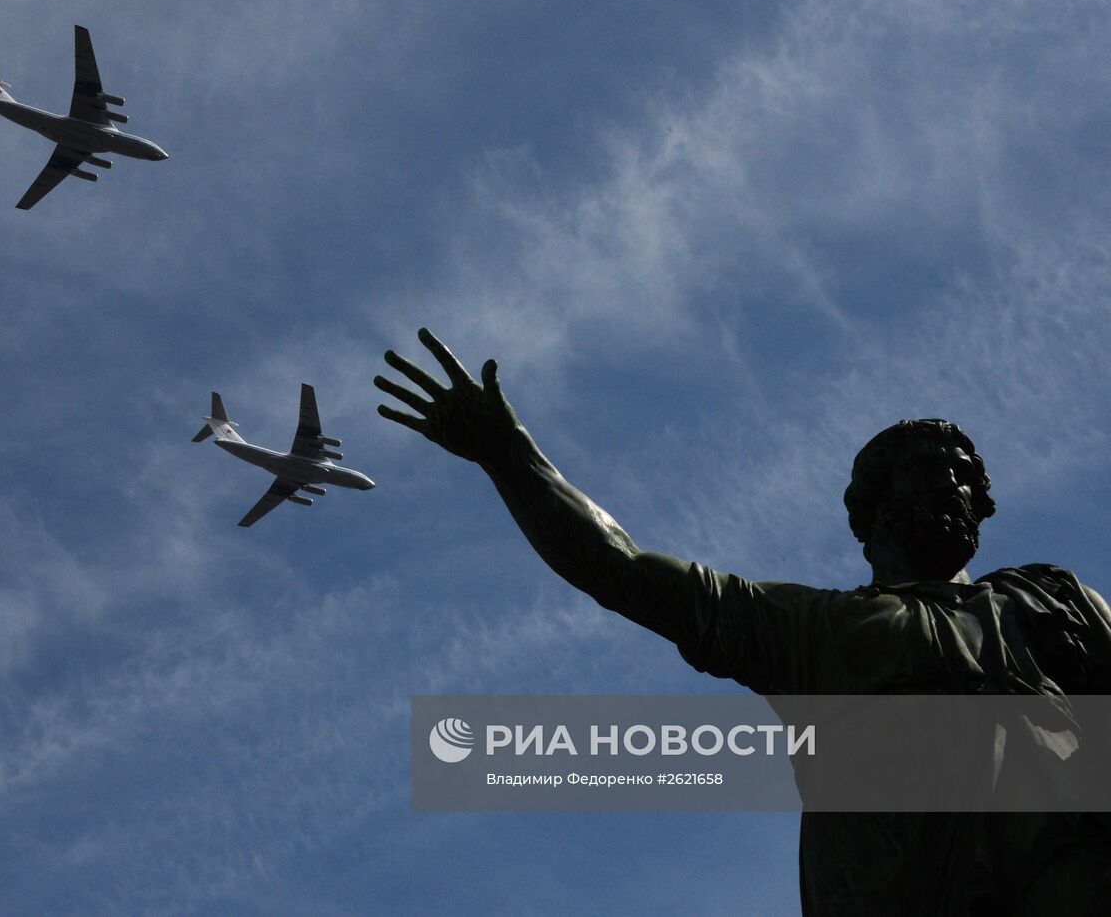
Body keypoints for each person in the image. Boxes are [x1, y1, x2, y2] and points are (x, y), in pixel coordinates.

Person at [375, 328, 1111, 916]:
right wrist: (511, 457)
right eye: (930, 468)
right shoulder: (811, 630)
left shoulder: (1052, 600)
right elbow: (621, 569)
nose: (955, 483)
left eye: (967, 476)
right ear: (875, 505)